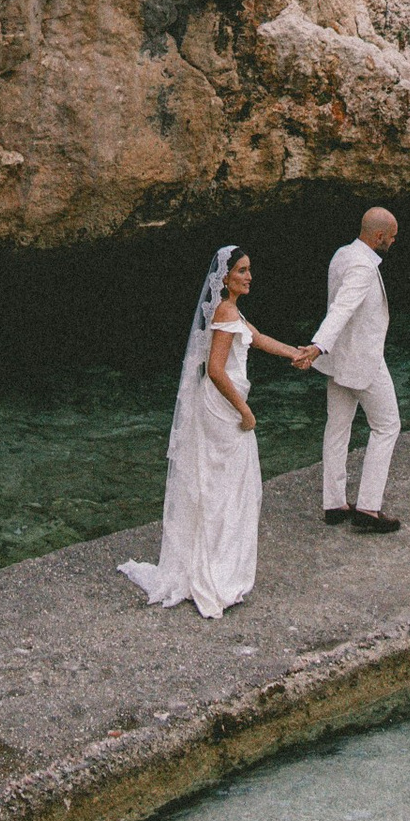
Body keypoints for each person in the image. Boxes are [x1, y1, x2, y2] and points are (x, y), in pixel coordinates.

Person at [119, 246, 319, 617]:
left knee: (227, 487)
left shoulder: (232, 312)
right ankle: (214, 573)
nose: (248, 276)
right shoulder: (225, 313)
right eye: (241, 271)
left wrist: (296, 352)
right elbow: (215, 369)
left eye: (249, 270)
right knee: (225, 488)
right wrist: (244, 410)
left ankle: (218, 564)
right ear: (224, 278)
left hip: (222, 405)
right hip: (222, 409)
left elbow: (256, 339)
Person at [309, 206, 402, 533]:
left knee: (337, 428)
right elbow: (343, 308)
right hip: (362, 359)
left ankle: (334, 504)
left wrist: (324, 349)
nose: (393, 241)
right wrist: (318, 344)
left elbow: (338, 307)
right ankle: (368, 508)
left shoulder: (342, 254)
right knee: (387, 426)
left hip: (338, 361)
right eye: (391, 237)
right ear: (378, 236)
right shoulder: (363, 266)